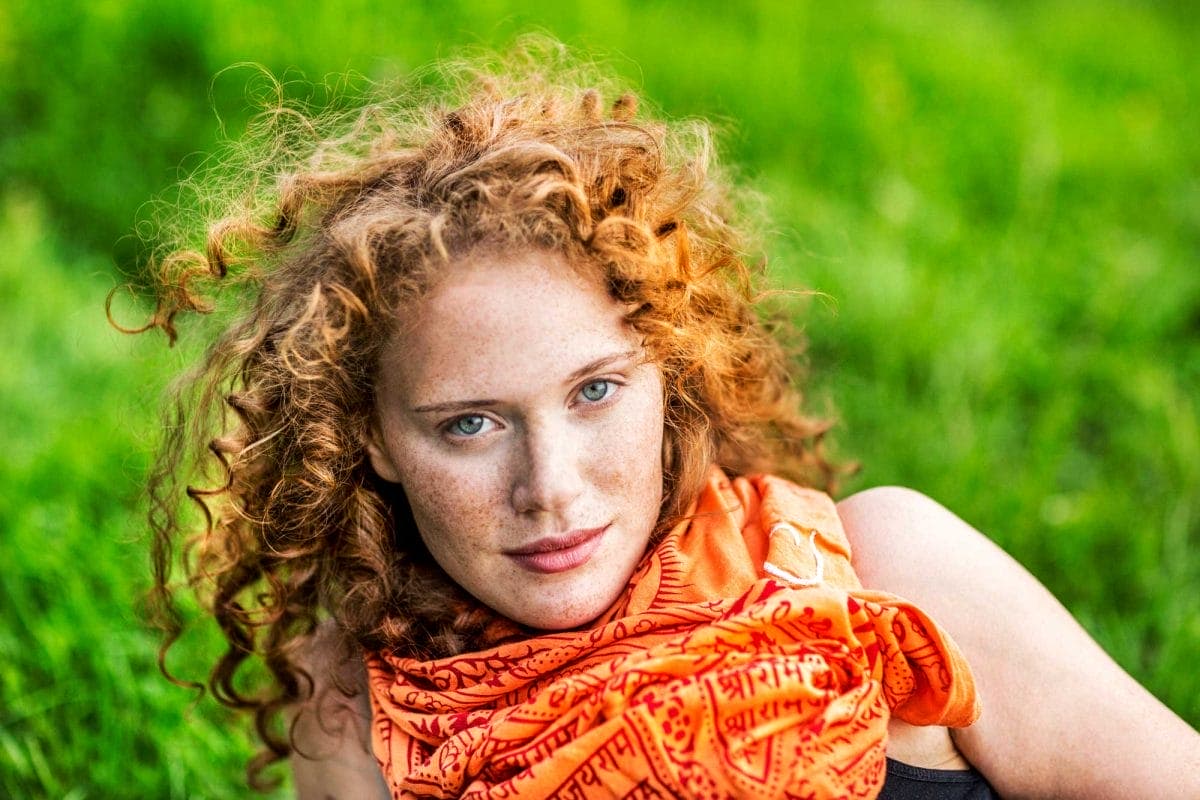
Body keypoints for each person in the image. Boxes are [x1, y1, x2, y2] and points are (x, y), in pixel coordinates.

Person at [128, 42, 1200, 799]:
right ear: (368, 439)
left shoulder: (887, 566)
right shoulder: (356, 701)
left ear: (669, 376)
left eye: (595, 392)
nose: (552, 487)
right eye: (470, 425)